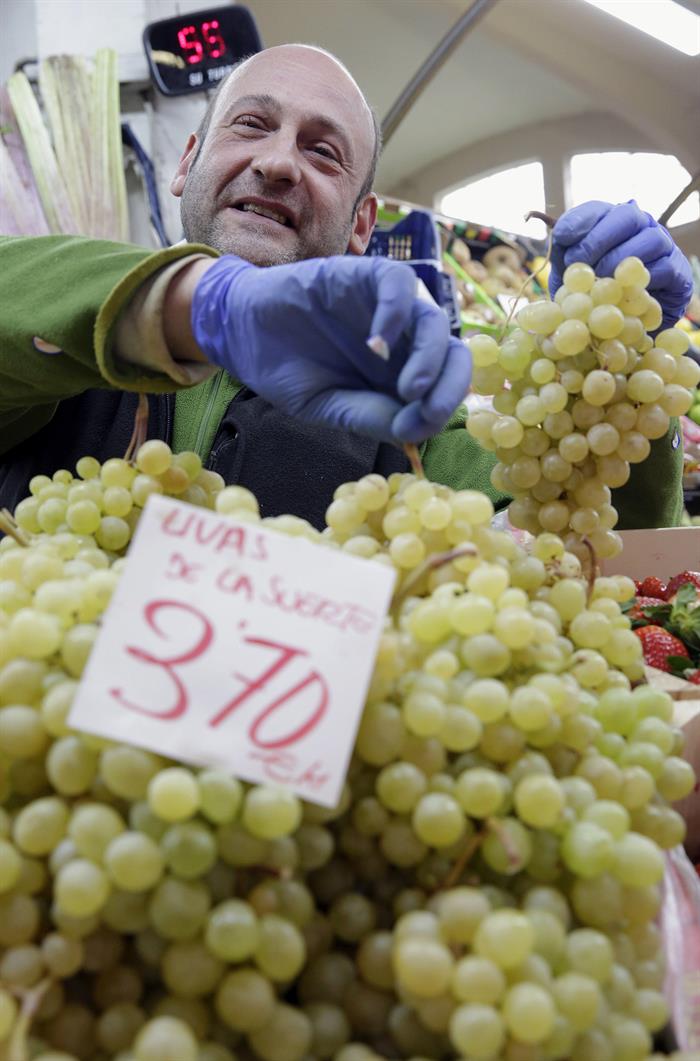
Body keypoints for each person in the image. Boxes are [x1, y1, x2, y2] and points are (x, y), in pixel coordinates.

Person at [0, 44, 693, 531]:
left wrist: (618, 363)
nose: (276, 162)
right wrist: (205, 304)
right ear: (188, 161)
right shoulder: (62, 326)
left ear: (364, 223)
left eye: (322, 151)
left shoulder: (417, 408)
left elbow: (589, 537)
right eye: (251, 124)